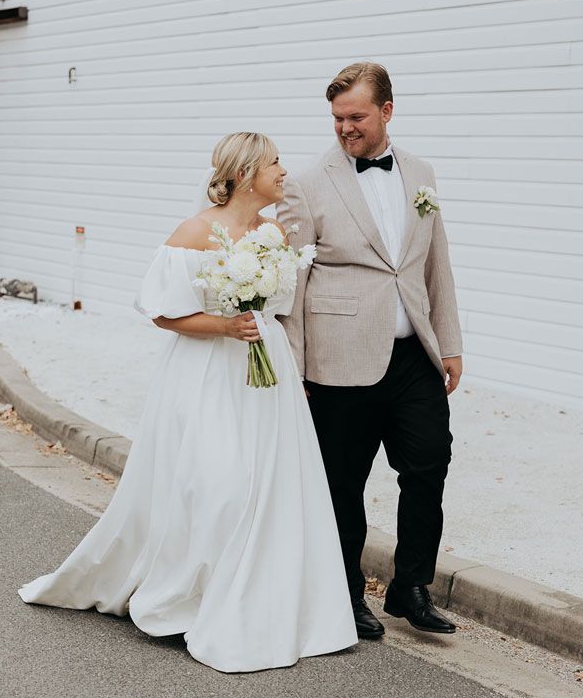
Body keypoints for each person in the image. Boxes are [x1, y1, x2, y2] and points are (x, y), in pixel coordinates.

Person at [18, 132, 357, 673]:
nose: (284, 172)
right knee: (217, 481)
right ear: (247, 173)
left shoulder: (272, 231)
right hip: (207, 372)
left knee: (267, 483)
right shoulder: (195, 232)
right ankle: (188, 591)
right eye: (274, 163)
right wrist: (224, 324)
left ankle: (259, 599)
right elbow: (161, 313)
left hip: (264, 373)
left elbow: (280, 307)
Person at [277, 63, 463, 640]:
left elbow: (436, 263)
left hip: (414, 358)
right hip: (339, 357)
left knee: (430, 461)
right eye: (337, 118)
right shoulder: (304, 183)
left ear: (386, 111)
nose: (344, 128)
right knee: (342, 482)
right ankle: (346, 591)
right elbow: (293, 280)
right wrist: (296, 363)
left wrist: (449, 342)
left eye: (356, 116)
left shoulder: (422, 172)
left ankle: (410, 587)